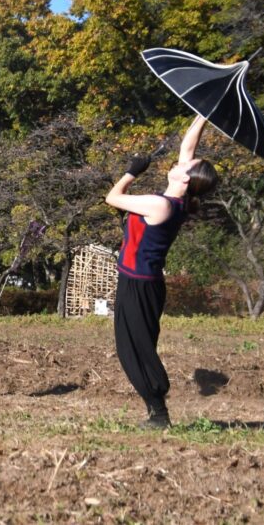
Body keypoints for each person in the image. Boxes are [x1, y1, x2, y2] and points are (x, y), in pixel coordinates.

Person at [105, 115, 219, 428]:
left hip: (139, 285)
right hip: (141, 282)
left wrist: (131, 172)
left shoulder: (161, 206)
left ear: (187, 180)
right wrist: (204, 113)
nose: (183, 161)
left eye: (187, 165)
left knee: (135, 348)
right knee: (135, 345)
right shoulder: (176, 200)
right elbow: (187, 147)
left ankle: (159, 412)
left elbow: (112, 198)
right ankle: (156, 411)